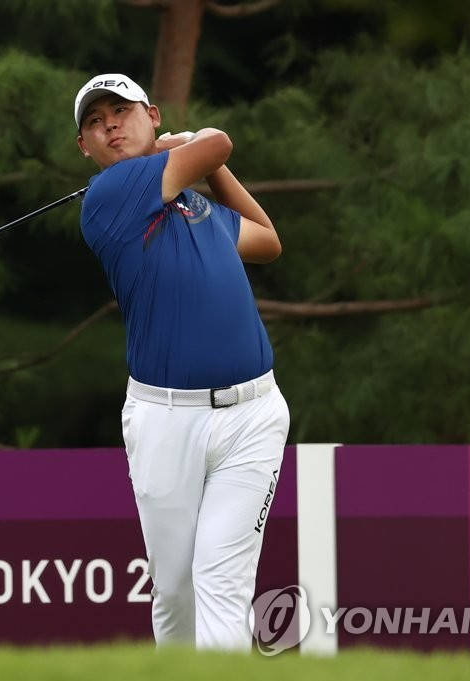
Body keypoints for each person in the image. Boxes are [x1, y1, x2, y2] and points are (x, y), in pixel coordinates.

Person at [73, 73, 291, 651]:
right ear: (85, 149)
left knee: (222, 579)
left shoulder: (193, 205)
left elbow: (267, 240)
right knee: (173, 592)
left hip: (254, 415)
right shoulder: (110, 196)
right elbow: (218, 140)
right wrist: (189, 147)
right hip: (168, 419)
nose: (110, 125)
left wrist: (202, 169)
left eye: (121, 111)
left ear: (152, 112)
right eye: (95, 122)